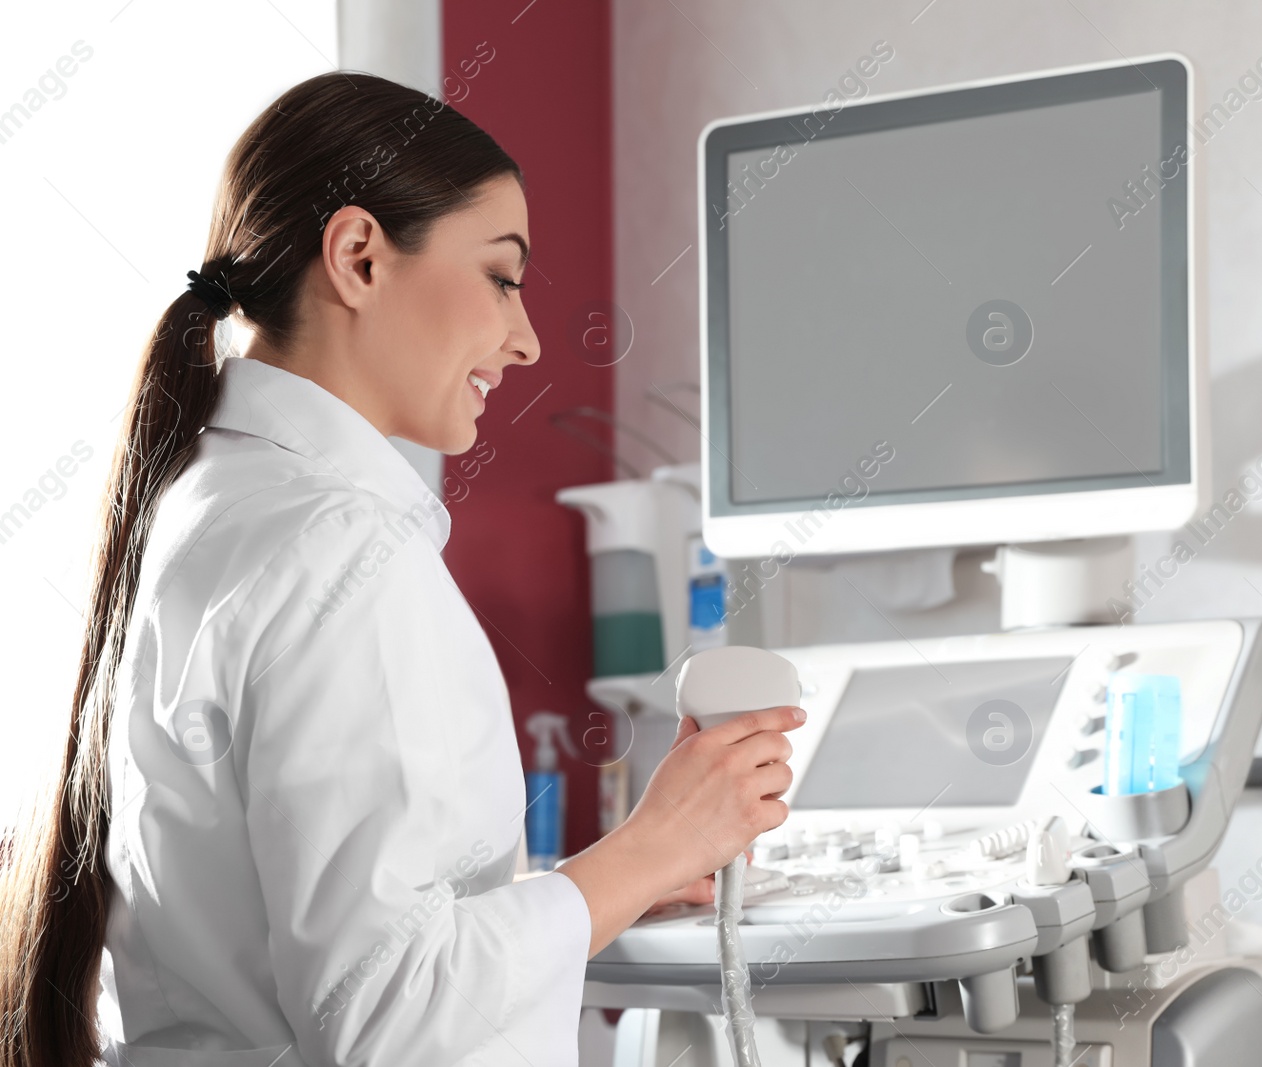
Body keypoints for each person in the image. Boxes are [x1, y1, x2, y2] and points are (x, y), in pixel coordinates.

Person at [0, 72, 801, 1067]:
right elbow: (388, 1015)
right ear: (359, 256)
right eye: (502, 277)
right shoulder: (336, 545)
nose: (526, 337)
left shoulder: (206, 504)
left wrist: (621, 873)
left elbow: (350, 956)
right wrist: (656, 845)